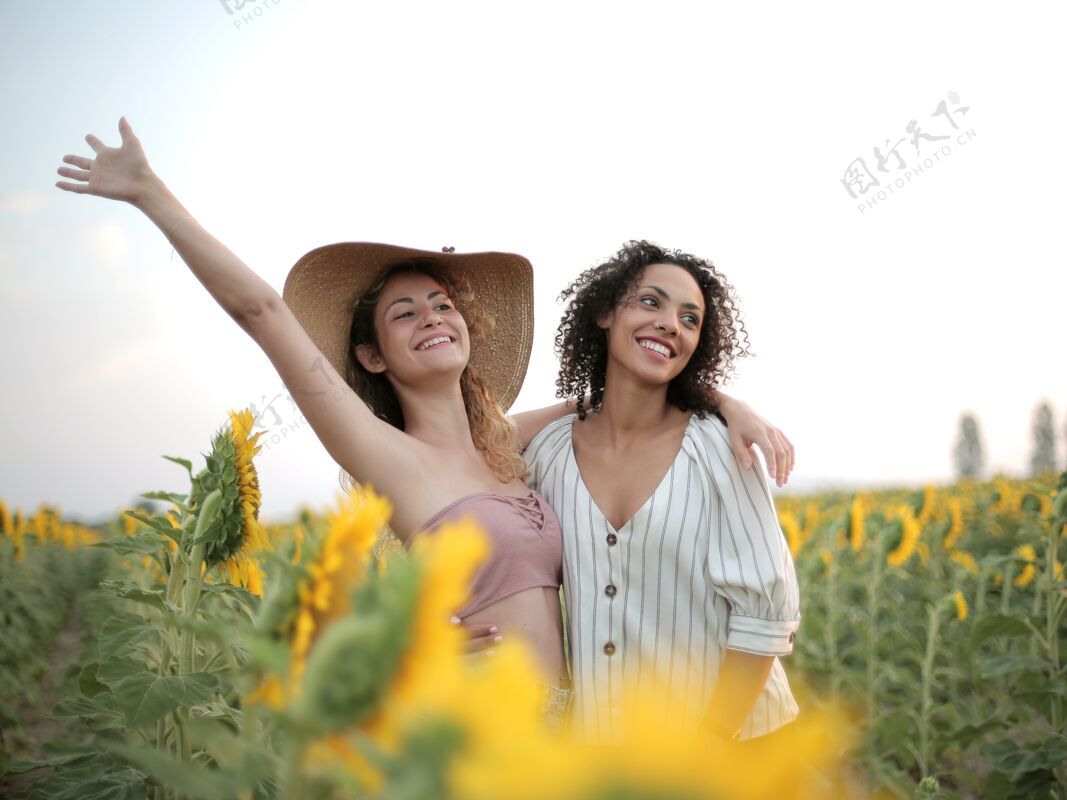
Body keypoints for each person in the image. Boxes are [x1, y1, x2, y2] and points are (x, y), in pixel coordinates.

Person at [54, 120, 793, 729]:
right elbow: (263, 312)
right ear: (372, 355)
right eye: (403, 313)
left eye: (442, 305)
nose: (431, 318)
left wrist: (725, 402)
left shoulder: (509, 448)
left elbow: (613, 404)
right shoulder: (386, 455)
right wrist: (152, 196)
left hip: (567, 730)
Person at [522, 240, 802, 743]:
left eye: (690, 319)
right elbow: (470, 449)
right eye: (651, 302)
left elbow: (766, 614)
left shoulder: (719, 446)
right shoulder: (547, 454)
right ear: (605, 312)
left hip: (737, 753)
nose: (672, 324)